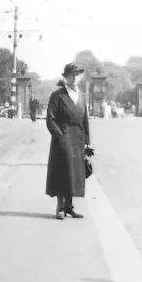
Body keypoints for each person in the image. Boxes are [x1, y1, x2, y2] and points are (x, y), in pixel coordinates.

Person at [45, 63, 93, 220]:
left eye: (77, 75)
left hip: (77, 139)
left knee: (74, 173)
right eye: (71, 75)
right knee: (62, 171)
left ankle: (69, 207)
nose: (74, 78)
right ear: (65, 77)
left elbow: (85, 120)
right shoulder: (57, 96)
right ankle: (60, 207)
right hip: (63, 137)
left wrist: (87, 142)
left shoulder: (82, 96)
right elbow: (50, 119)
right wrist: (60, 136)